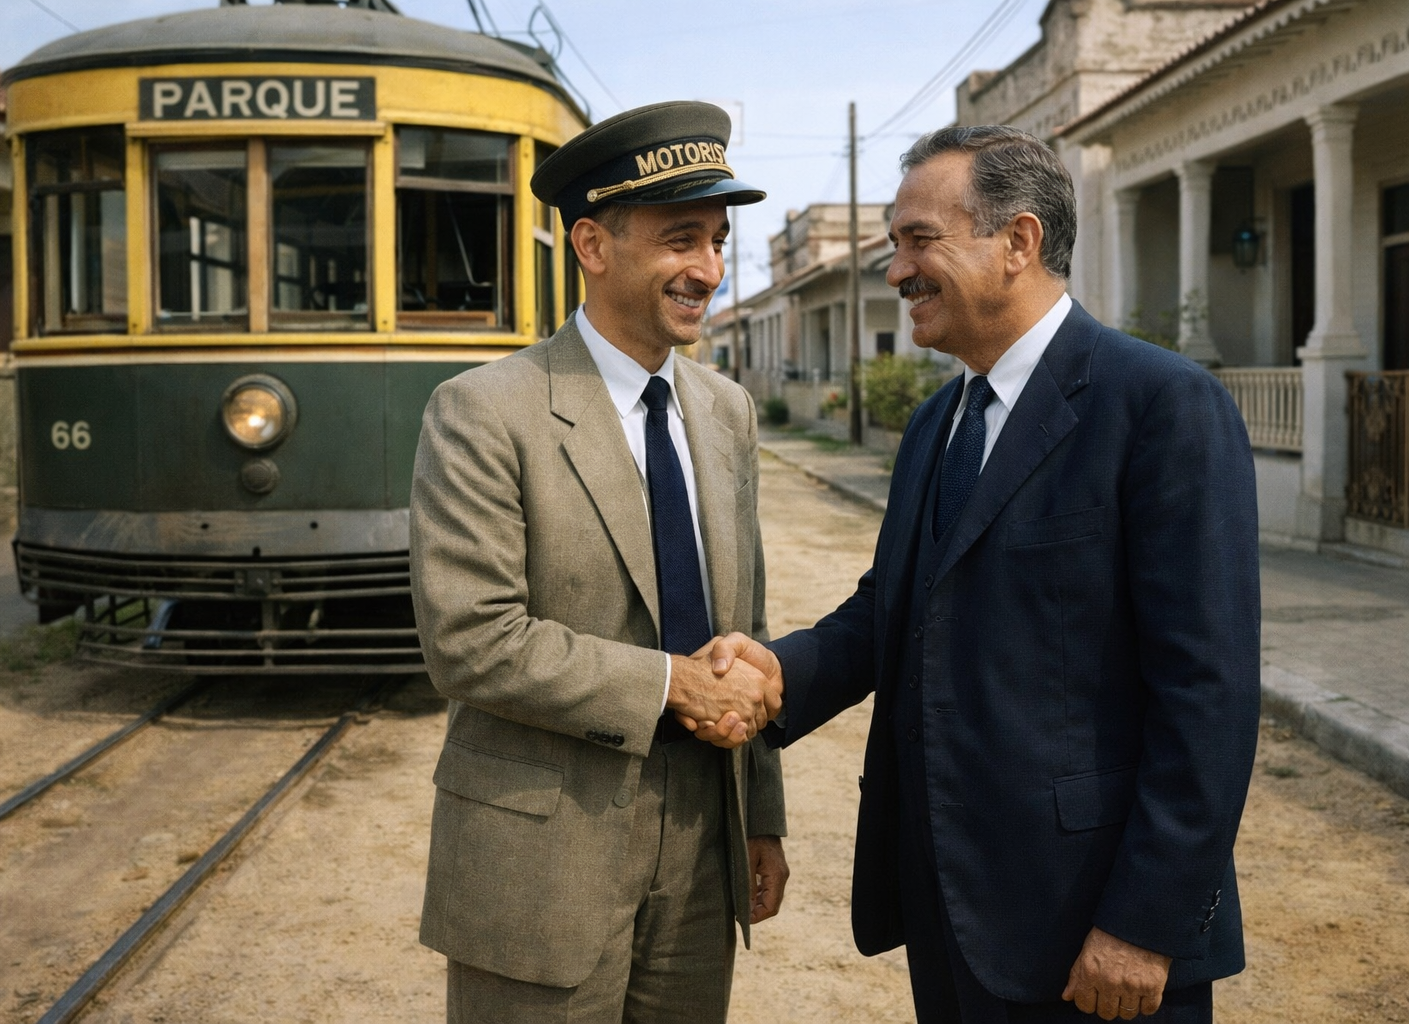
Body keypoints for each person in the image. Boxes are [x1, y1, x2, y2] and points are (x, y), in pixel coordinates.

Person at [707, 125, 1260, 1022]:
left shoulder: (1159, 406)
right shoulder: (939, 424)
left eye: (920, 240)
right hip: (952, 908)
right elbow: (897, 604)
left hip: (1093, 930)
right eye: (894, 245)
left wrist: (1146, 923)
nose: (896, 272)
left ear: (1019, 242)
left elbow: (1210, 694)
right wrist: (782, 672)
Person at [409, 100, 789, 1024]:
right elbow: (471, 641)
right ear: (591, 244)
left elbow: (751, 627)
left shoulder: (726, 411)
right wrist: (673, 687)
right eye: (680, 240)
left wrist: (763, 817)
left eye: (716, 241)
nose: (707, 269)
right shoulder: (484, 411)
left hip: (705, 842)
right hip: (544, 857)